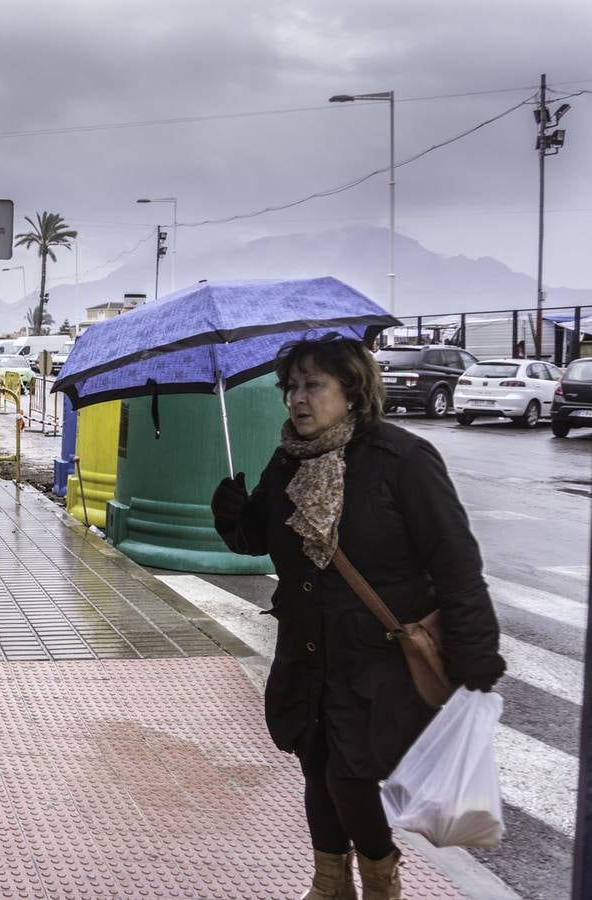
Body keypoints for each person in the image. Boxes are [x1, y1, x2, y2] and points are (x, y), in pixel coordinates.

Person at [210, 336, 505, 900]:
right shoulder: (287, 461)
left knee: (349, 776)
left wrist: (474, 655)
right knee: (316, 768)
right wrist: (234, 513)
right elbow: (257, 542)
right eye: (291, 386)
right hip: (307, 650)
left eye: (313, 385)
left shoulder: (402, 460)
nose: (297, 398)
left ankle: (380, 879)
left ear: (352, 391)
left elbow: (456, 562)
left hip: (378, 659)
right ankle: (328, 883)